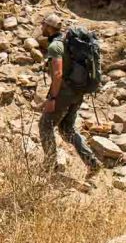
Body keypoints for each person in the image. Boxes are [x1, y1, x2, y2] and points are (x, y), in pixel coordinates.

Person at [39, 13, 101, 176]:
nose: (41, 27)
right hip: (78, 91)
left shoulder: (55, 46)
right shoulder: (67, 41)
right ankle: (92, 162)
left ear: (50, 27)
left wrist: (52, 98)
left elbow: (58, 74)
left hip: (64, 92)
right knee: (67, 128)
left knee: (45, 125)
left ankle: (50, 164)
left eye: (43, 24)